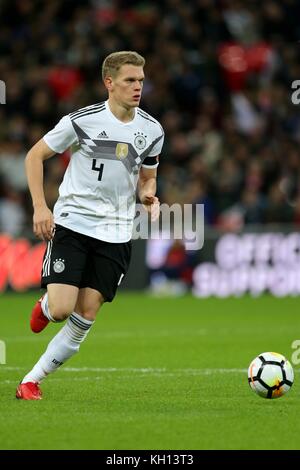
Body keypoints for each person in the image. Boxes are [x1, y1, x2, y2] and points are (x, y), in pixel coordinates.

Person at [16, 51, 164, 400]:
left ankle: (30, 381)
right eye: (130, 80)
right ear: (109, 83)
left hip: (117, 231)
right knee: (63, 309)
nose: (138, 87)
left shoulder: (152, 129)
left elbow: (148, 178)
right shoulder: (82, 121)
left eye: (141, 80)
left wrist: (148, 195)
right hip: (74, 223)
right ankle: (47, 306)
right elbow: (34, 156)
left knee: (86, 314)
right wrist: (40, 207)